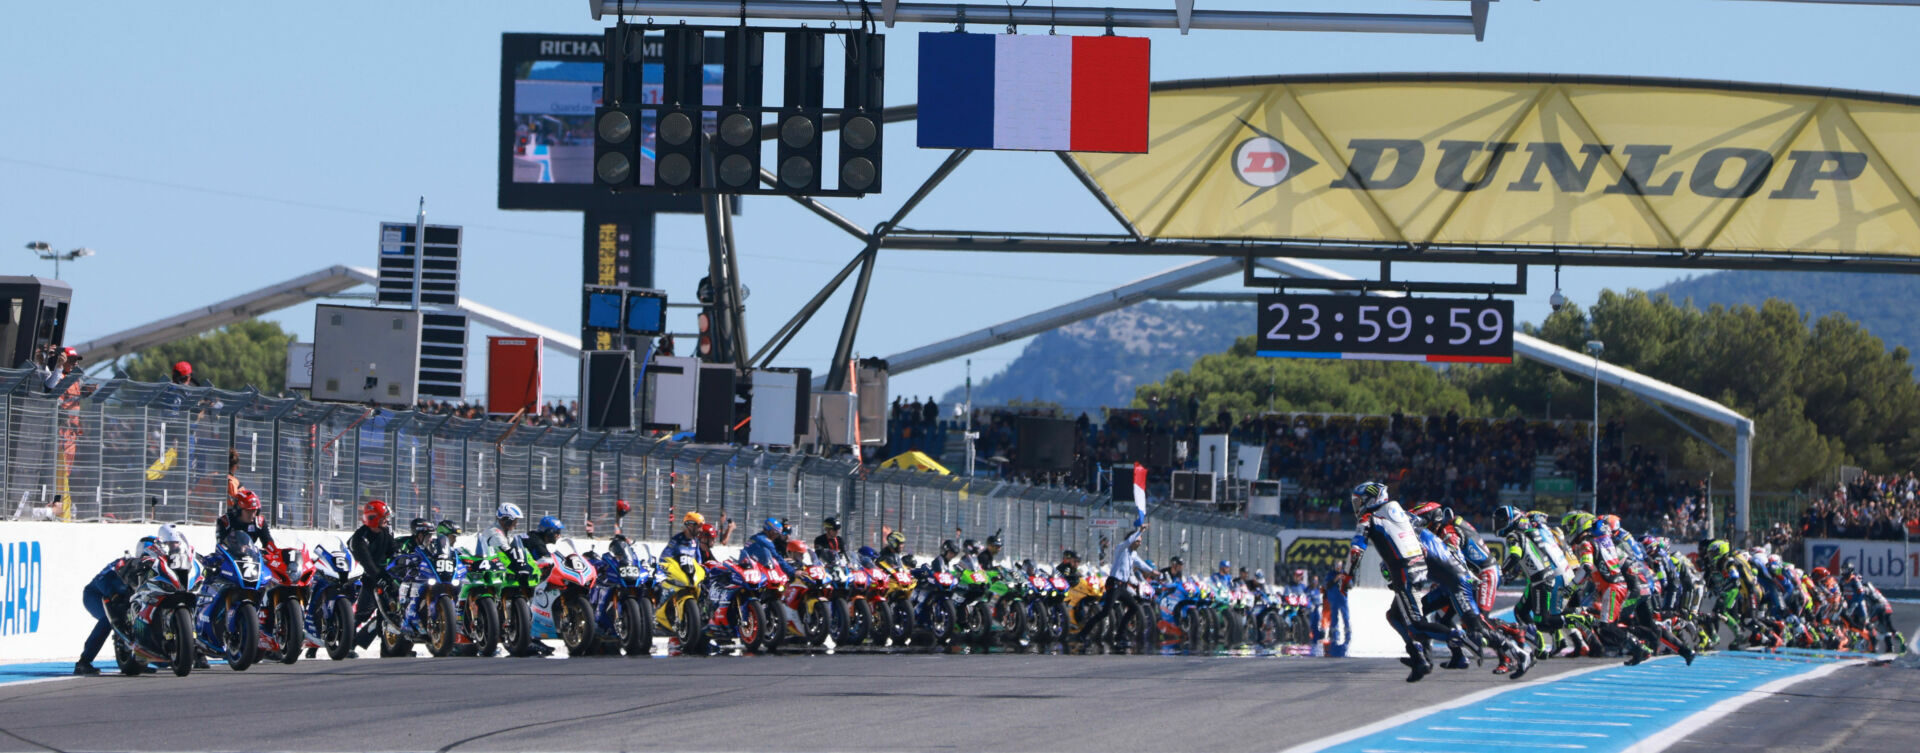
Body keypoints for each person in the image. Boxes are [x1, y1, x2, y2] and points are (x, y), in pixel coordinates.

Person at [1342, 481, 1445, 681]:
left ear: (1371, 499)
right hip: (1414, 569)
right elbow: (1417, 523)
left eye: (1359, 501)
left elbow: (1356, 549)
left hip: (1409, 571)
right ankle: (1419, 657)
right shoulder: (1398, 512)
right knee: (1396, 616)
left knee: (1415, 622)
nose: (1356, 506)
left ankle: (1456, 640)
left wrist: (1347, 575)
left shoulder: (1372, 517)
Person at [1076, 519, 1151, 651]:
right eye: (1137, 540)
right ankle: (1082, 634)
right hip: (1114, 583)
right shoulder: (1121, 548)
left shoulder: (1132, 554)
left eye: (1140, 541)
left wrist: (1154, 572)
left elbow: (1141, 564)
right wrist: (1140, 530)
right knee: (1105, 612)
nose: (1139, 543)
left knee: (1134, 607)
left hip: (1122, 586)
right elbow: (1128, 542)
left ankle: (1120, 635)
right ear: (1131, 540)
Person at [75, 541, 145, 675]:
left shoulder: (155, 570)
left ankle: (138, 660)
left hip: (122, 600)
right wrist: (112, 593)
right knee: (108, 620)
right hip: (97, 595)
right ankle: (83, 662)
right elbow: (102, 577)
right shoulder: (125, 562)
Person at [349, 500, 396, 653]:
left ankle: (387, 649)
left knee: (388, 614)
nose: (387, 521)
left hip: (385, 578)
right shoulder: (360, 537)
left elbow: (393, 552)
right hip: (369, 580)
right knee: (362, 614)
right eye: (384, 518)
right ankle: (347, 643)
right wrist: (378, 576)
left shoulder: (386, 533)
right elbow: (366, 562)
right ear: (373, 518)